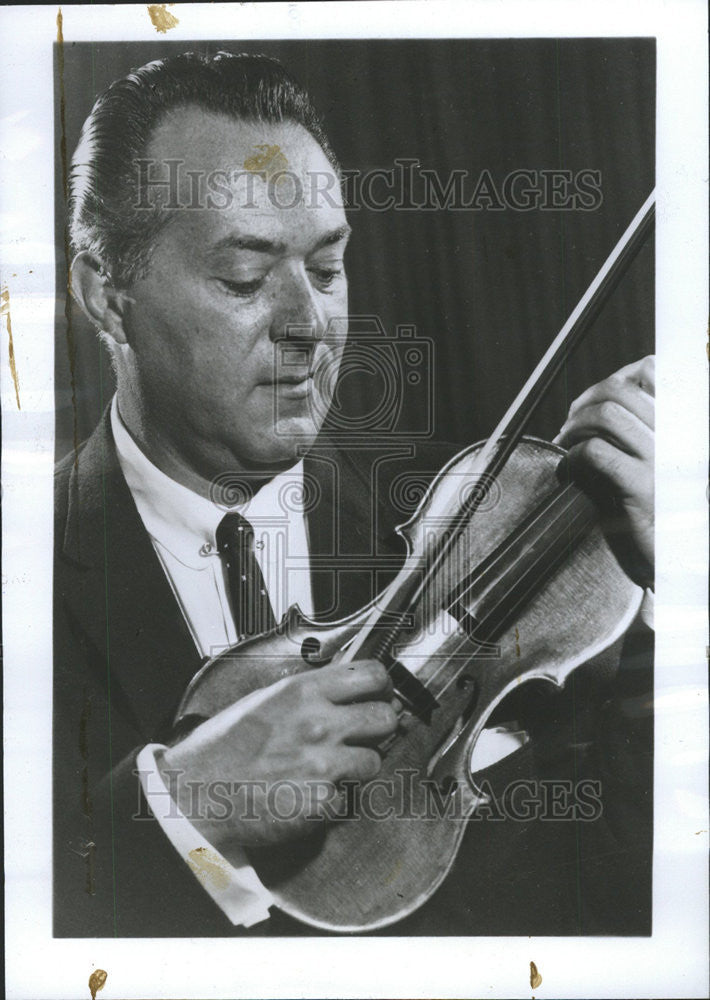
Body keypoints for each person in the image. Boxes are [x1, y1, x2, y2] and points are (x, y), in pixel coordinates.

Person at [54, 50, 654, 937]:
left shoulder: (471, 536)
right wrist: (182, 804)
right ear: (107, 294)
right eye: (245, 278)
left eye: (328, 270)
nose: (310, 327)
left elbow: (626, 895)